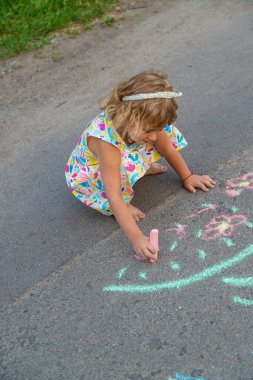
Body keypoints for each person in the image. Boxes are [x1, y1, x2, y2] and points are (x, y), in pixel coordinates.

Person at [65, 70, 216, 261]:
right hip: (92, 176)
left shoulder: (143, 125)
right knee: (119, 180)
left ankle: (139, 168)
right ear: (127, 115)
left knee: (153, 140)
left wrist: (187, 176)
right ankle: (117, 208)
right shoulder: (106, 143)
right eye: (149, 130)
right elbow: (114, 195)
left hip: (124, 151)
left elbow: (167, 149)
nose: (154, 135)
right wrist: (137, 238)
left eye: (157, 129)